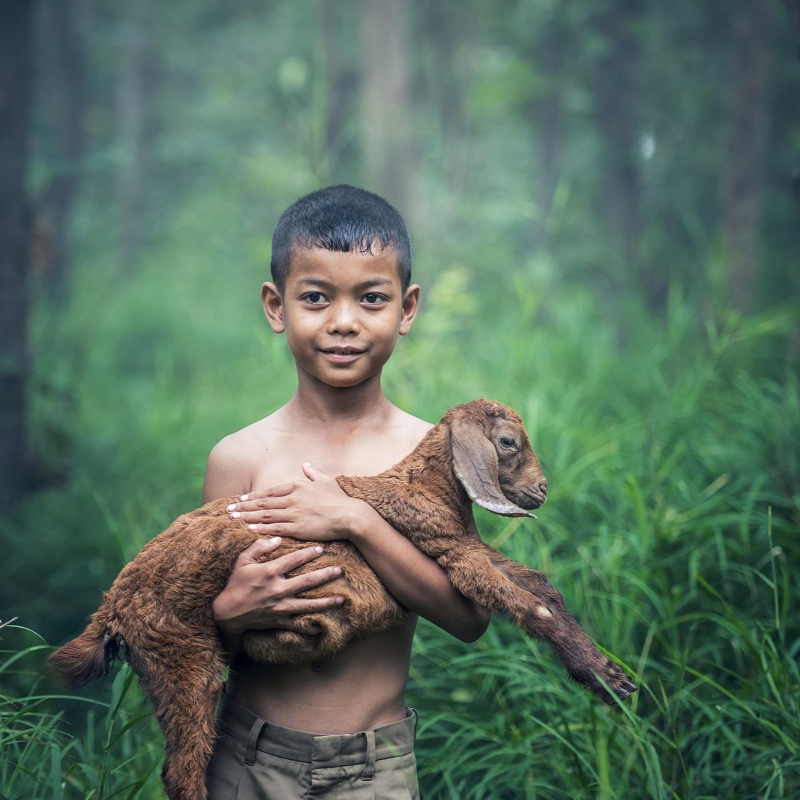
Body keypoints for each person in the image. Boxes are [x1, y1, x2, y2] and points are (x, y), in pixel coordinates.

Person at [202, 185, 490, 799]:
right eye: (315, 297)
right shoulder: (239, 458)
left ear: (407, 309)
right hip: (245, 759)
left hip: (375, 769)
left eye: (371, 298)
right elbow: (194, 637)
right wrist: (231, 616)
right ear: (276, 306)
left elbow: (469, 617)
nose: (343, 321)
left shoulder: (431, 455)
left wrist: (357, 520)